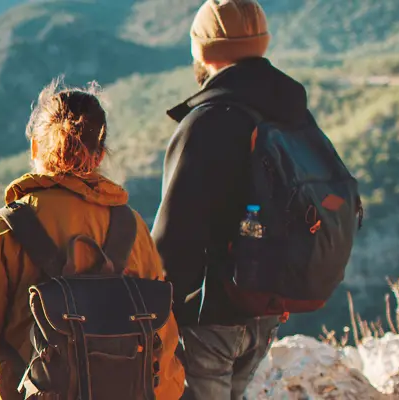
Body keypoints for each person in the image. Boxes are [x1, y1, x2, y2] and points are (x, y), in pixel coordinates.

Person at [0, 79, 185, 400]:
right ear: (100, 155)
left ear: (35, 147)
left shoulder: (2, 230)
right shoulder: (131, 228)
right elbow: (162, 342)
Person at [153, 0, 326, 398]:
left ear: (202, 49)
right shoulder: (292, 111)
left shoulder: (207, 121)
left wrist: (155, 312)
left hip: (210, 316)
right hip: (265, 310)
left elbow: (174, 238)